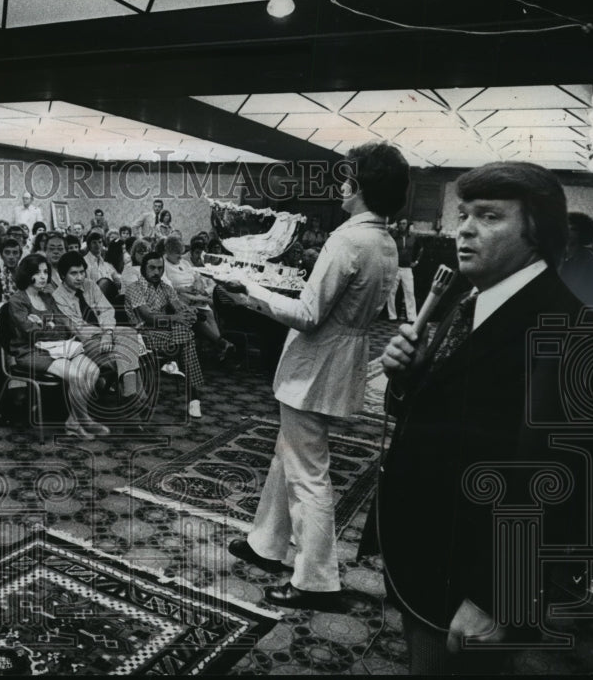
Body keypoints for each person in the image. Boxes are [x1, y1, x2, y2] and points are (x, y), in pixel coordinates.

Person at [376, 161, 589, 673]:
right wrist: (409, 379)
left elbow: (553, 481)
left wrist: (499, 597)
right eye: (463, 214)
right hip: (428, 548)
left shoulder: (568, 330)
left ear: (537, 230)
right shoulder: (470, 299)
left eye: (489, 216)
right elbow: (444, 410)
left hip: (474, 578)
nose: (465, 229)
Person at [227, 141, 407, 610]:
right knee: (286, 455)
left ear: (362, 186)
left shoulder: (347, 239)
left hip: (315, 365)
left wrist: (250, 289)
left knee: (308, 473)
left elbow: (308, 315)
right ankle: (266, 543)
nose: (342, 185)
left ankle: (316, 581)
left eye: (348, 177)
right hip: (342, 361)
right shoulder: (385, 240)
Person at [7, 254, 108, 438]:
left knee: (93, 371)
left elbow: (62, 327)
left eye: (45, 272)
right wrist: (50, 325)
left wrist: (44, 324)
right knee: (77, 375)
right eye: (37, 272)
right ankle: (82, 421)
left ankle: (74, 421)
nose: (43, 276)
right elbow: (30, 333)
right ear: (27, 274)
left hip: (58, 346)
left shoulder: (47, 298)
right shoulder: (17, 300)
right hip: (30, 351)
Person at [124, 251, 205, 418]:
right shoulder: (134, 288)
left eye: (160, 268)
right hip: (141, 335)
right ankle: (194, 397)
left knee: (185, 333)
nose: (156, 272)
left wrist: (188, 312)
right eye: (152, 268)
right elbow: (147, 317)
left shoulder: (166, 288)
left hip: (165, 334)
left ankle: (191, 392)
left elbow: (178, 306)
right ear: (143, 269)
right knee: (187, 336)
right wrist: (176, 318)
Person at [53, 251, 144, 397]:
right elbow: (77, 327)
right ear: (63, 275)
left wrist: (108, 333)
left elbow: (107, 310)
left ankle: (129, 391)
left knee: (129, 332)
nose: (80, 277)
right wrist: (105, 335)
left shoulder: (90, 285)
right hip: (83, 341)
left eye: (82, 272)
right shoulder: (58, 297)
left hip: (105, 333)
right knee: (126, 354)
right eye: (74, 273)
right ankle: (134, 394)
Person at [162, 235, 234, 361]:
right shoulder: (163, 265)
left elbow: (197, 277)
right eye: (177, 254)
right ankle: (221, 345)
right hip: (178, 297)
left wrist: (197, 284)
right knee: (197, 314)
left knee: (209, 313)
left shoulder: (184, 263)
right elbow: (166, 286)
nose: (180, 257)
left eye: (181, 253)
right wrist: (184, 289)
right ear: (168, 252)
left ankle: (220, 348)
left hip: (194, 294)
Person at [559, 211, 593, 308]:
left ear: (582, 233)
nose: (567, 232)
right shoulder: (555, 257)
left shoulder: (591, 261)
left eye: (573, 229)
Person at [386, 218, 423, 322]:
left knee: (410, 292)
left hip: (407, 268)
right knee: (391, 292)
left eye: (404, 224)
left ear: (407, 225)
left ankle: (412, 317)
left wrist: (416, 261)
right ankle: (392, 316)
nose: (402, 226)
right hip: (395, 268)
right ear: (398, 225)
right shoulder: (393, 236)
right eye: (400, 224)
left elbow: (421, 248)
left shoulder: (413, 237)